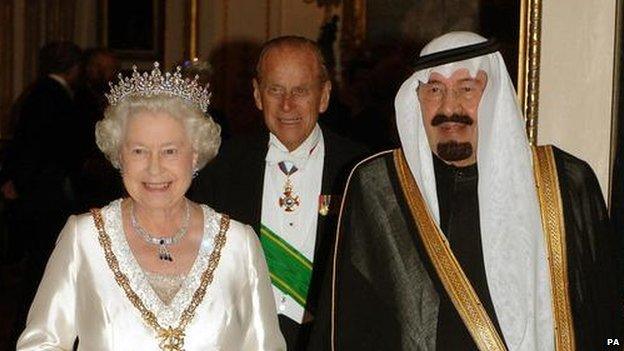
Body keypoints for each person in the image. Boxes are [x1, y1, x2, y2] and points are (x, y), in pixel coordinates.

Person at [308, 32, 623, 350]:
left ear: (495, 94)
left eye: (467, 88)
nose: (449, 107)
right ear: (416, 98)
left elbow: (607, 320)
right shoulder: (379, 187)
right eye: (434, 89)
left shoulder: (564, 181)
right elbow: (349, 329)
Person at [17, 63, 286, 350]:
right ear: (119, 156)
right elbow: (40, 343)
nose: (154, 168)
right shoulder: (84, 238)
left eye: (170, 151)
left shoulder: (239, 243)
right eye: (139, 151)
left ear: (194, 156)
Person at [191, 36, 367, 350]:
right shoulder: (221, 167)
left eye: (301, 90)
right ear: (258, 95)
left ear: (324, 96)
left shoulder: (361, 170)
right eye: (275, 90)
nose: (287, 105)